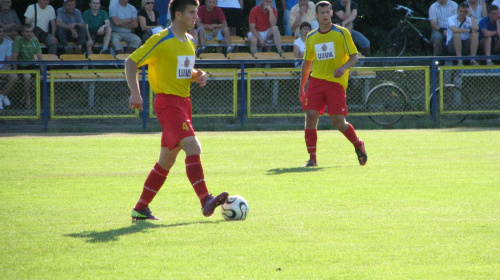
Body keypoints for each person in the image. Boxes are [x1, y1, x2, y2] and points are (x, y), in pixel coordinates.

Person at [126, 0, 228, 220]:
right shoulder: (161, 39)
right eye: (192, 12)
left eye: (196, 12)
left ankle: (141, 208)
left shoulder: (190, 40)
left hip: (184, 103)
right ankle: (205, 200)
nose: (196, 17)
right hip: (168, 103)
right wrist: (136, 93)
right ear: (178, 15)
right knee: (193, 146)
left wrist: (197, 75)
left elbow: (183, 70)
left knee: (166, 160)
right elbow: (131, 62)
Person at [298, 1, 366, 167]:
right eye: (322, 13)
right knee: (310, 116)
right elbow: (307, 63)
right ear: (317, 15)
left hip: (335, 82)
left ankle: (358, 144)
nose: (325, 15)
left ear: (332, 13)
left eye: (328, 12)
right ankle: (312, 158)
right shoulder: (312, 37)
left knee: (337, 121)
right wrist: (302, 87)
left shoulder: (341, 33)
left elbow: (354, 56)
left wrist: (343, 68)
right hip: (317, 80)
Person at [11, 24, 43, 108]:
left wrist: (43, 72)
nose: (29, 34)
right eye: (27, 32)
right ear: (22, 33)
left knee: (41, 77)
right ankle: (28, 98)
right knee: (27, 76)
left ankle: (24, 96)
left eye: (31, 32)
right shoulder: (18, 40)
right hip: (21, 64)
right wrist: (15, 71)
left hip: (31, 64)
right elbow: (14, 56)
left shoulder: (35, 41)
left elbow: (40, 57)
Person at [0, 24, 15, 110]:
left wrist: (4, 70)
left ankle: (1, 96)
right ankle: (3, 96)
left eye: (1, 32)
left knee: (14, 77)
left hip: (5, 68)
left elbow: (9, 59)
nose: (0, 34)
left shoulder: (8, 42)